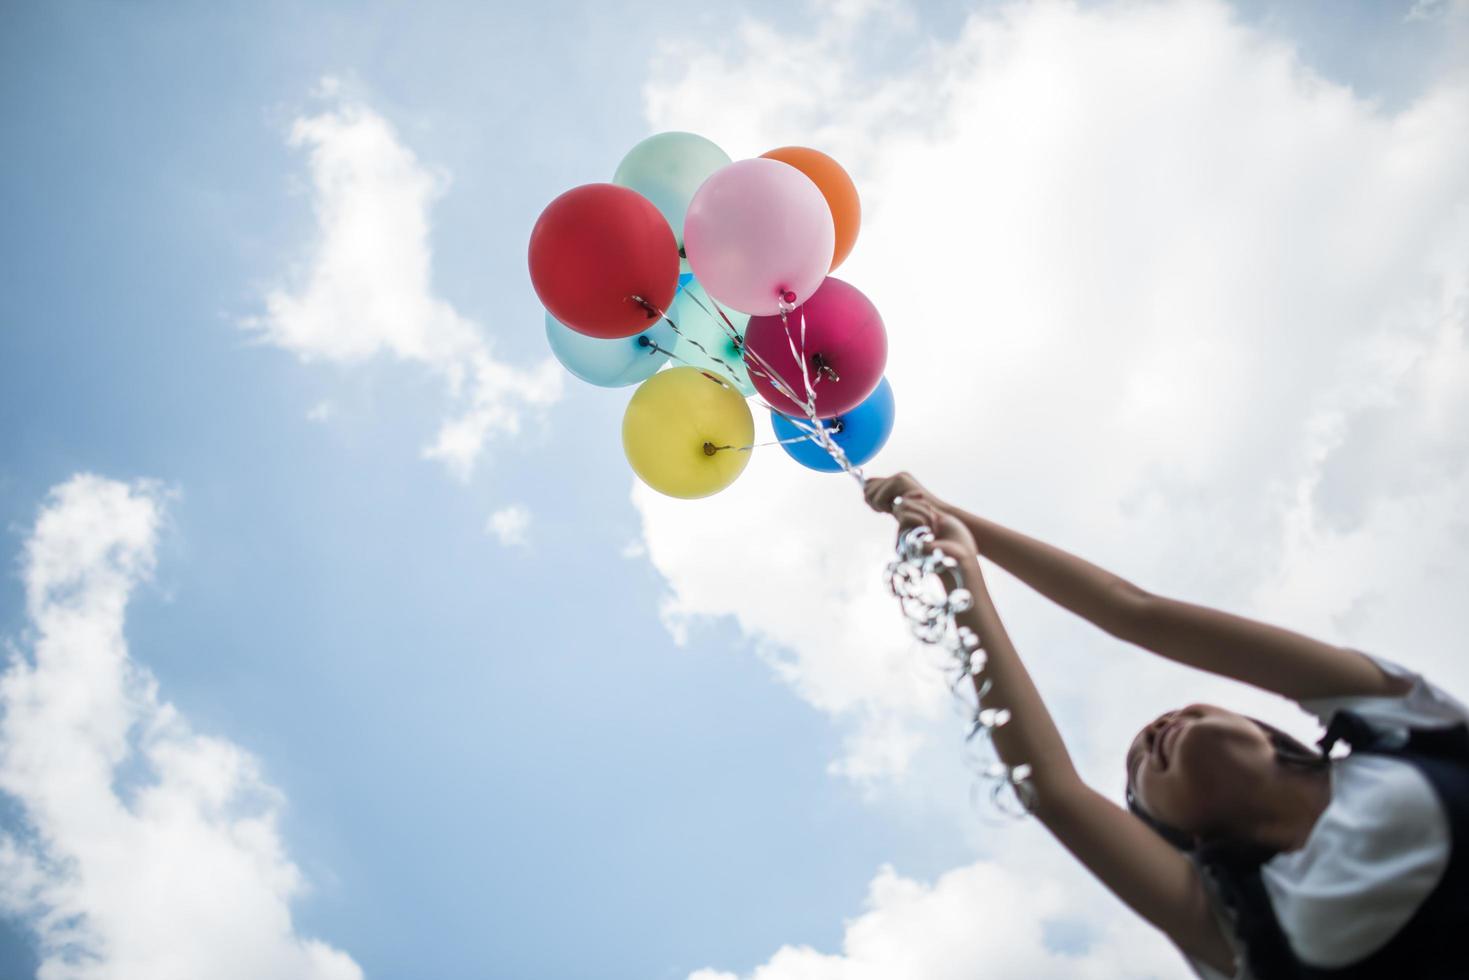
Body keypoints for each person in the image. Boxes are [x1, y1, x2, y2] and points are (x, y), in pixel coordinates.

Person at [863, 471, 1469, 979]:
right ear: (1184, 838)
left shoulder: (1406, 726)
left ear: (1269, 731)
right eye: (1138, 766)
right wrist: (959, 573)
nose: (1157, 729)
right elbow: (1053, 789)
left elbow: (1132, 611)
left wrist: (947, 516)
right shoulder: (1235, 924)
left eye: (1184, 714)